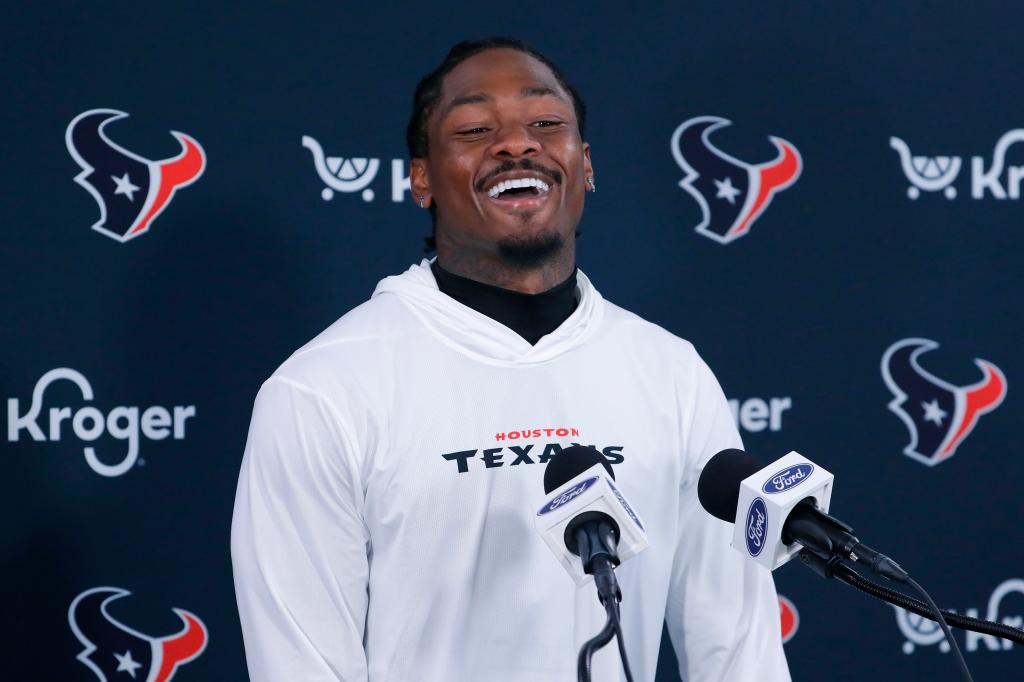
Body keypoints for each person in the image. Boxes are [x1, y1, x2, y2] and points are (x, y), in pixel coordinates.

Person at [231, 37, 791, 682]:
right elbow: (301, 664)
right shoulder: (323, 388)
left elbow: (738, 651)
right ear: (420, 179)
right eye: (474, 128)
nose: (517, 144)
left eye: (547, 124)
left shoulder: (672, 372)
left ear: (584, 165)